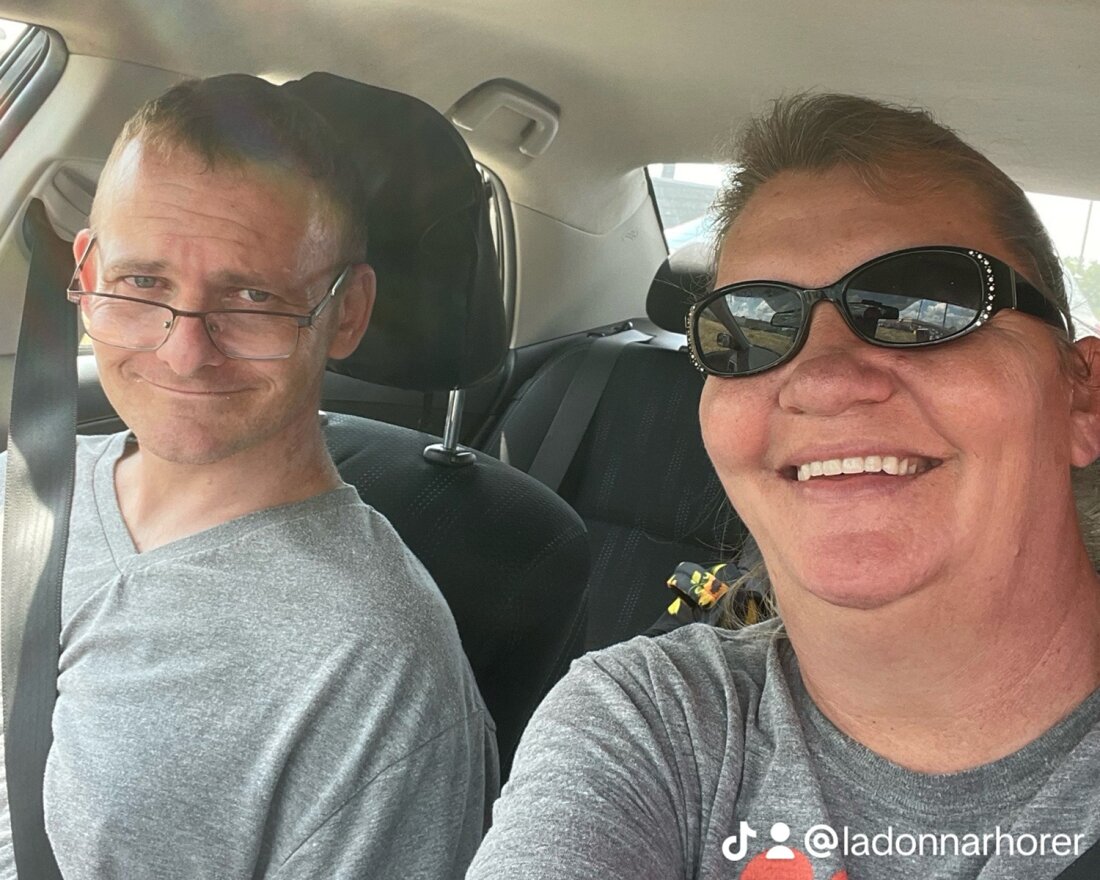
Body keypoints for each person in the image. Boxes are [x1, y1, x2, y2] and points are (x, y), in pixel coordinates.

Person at [467, 93, 1100, 879]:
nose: (823, 379)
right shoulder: (650, 725)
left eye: (922, 306)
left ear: (1083, 394)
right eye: (749, 326)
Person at [0, 74, 497, 879]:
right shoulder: (19, 485)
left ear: (346, 313)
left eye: (253, 298)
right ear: (86, 274)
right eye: (143, 284)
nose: (184, 351)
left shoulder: (376, 666)